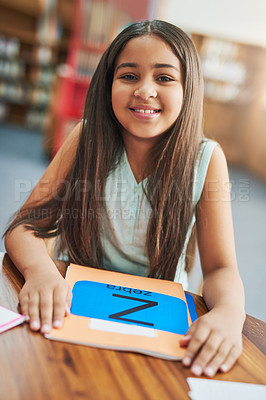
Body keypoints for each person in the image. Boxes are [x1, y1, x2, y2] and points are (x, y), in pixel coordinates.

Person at [4, 20, 245, 378]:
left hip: (157, 316)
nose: (145, 91)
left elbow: (220, 269)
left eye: (164, 78)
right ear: (108, 84)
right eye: (129, 76)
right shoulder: (85, 136)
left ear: (188, 89)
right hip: (74, 304)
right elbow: (26, 226)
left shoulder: (206, 159)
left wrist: (229, 314)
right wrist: (40, 271)